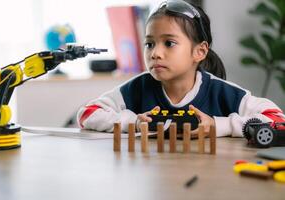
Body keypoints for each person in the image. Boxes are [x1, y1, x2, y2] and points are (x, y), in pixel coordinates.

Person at [77, 0, 283, 137]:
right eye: (149, 44)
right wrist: (133, 123)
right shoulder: (137, 87)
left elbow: (278, 119)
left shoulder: (222, 91)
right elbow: (87, 113)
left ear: (199, 52)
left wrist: (218, 125)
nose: (155, 53)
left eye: (169, 43)